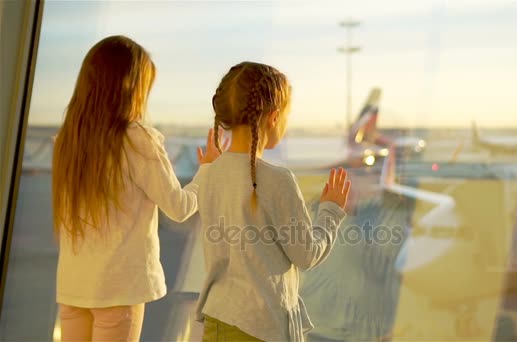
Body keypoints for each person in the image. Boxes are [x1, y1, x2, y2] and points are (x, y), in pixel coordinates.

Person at [52, 35, 224, 341]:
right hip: (117, 289)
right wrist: (208, 172)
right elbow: (180, 208)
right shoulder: (136, 138)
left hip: (72, 287)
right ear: (131, 87)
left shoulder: (68, 140)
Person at [193, 61, 351, 342]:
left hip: (217, 321)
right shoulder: (277, 180)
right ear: (274, 117)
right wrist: (331, 211)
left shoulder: (208, 174)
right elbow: (306, 254)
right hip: (260, 326)